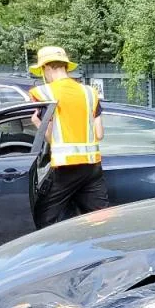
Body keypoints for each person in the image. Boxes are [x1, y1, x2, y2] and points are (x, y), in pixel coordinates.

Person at [26, 45, 107, 225]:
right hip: (92, 166)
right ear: (65, 66)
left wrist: (37, 123)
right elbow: (99, 134)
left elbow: (49, 138)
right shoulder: (89, 93)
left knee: (43, 218)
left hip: (65, 167)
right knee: (100, 219)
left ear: (46, 68)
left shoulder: (43, 93)